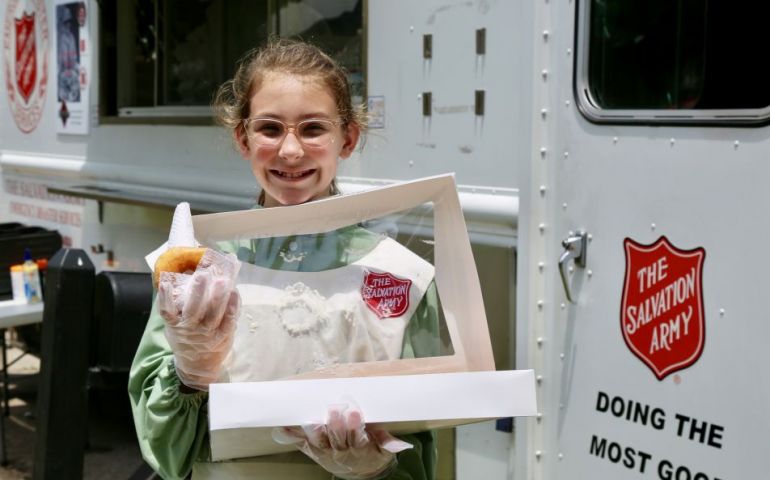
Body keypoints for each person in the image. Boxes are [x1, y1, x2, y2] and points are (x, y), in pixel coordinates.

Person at [129, 38, 439, 480]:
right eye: (270, 129)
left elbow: (424, 437)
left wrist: (377, 469)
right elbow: (164, 451)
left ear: (347, 138)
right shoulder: (202, 266)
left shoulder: (402, 275)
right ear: (243, 137)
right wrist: (188, 376)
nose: (290, 151)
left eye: (313, 129)